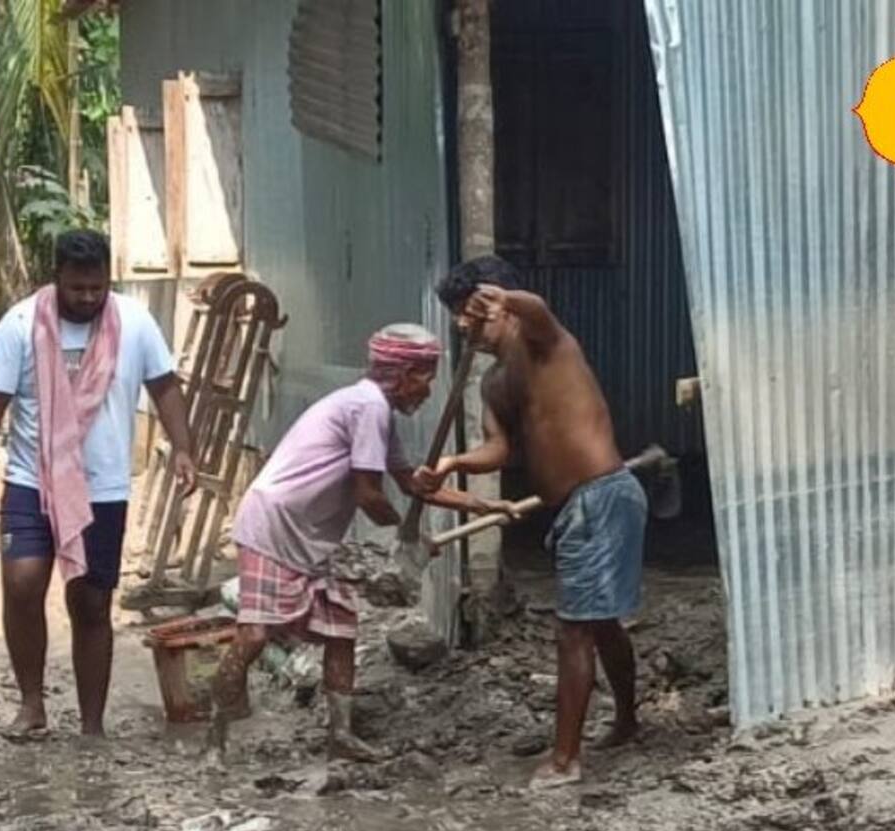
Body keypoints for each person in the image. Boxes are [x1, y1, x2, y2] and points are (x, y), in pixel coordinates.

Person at [208, 323, 510, 763]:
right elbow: (369, 494)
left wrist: (481, 506)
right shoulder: (369, 407)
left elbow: (411, 484)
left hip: (309, 535)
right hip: (276, 525)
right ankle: (214, 737)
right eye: (425, 377)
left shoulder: (374, 410)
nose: (427, 390)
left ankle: (341, 735)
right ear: (404, 373)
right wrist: (407, 540)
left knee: (340, 629)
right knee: (254, 634)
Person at [414, 255, 646, 790]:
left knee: (574, 631)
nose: (466, 327)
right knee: (599, 621)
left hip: (602, 496)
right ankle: (629, 721)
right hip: (575, 509)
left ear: (499, 305)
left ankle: (565, 761)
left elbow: (537, 310)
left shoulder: (544, 342)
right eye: (461, 319)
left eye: (474, 315)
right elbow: (498, 449)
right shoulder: (493, 382)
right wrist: (454, 464)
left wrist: (506, 298)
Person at [0, 229, 198, 738]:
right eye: (77, 289)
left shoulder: (134, 323)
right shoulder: (22, 324)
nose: (88, 298)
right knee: (22, 586)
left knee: (91, 601)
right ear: (57, 279)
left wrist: (183, 447)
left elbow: (164, 386)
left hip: (104, 486)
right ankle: (32, 706)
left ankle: (93, 724)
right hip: (31, 480)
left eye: (97, 288)